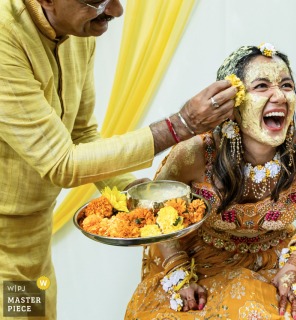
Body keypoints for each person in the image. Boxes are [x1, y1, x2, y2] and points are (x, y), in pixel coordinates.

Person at [0, 0, 237, 318]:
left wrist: (128, 190)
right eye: (96, 1)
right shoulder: (6, 36)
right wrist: (178, 126)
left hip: (33, 232)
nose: (116, 11)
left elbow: (81, 134)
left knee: (33, 314)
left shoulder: (77, 32)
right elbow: (61, 162)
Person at [125, 43, 296, 320]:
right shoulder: (194, 155)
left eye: (287, 85)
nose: (278, 95)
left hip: (278, 264)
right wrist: (179, 274)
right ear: (232, 105)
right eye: (261, 86)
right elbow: (157, 211)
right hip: (204, 267)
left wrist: (294, 260)